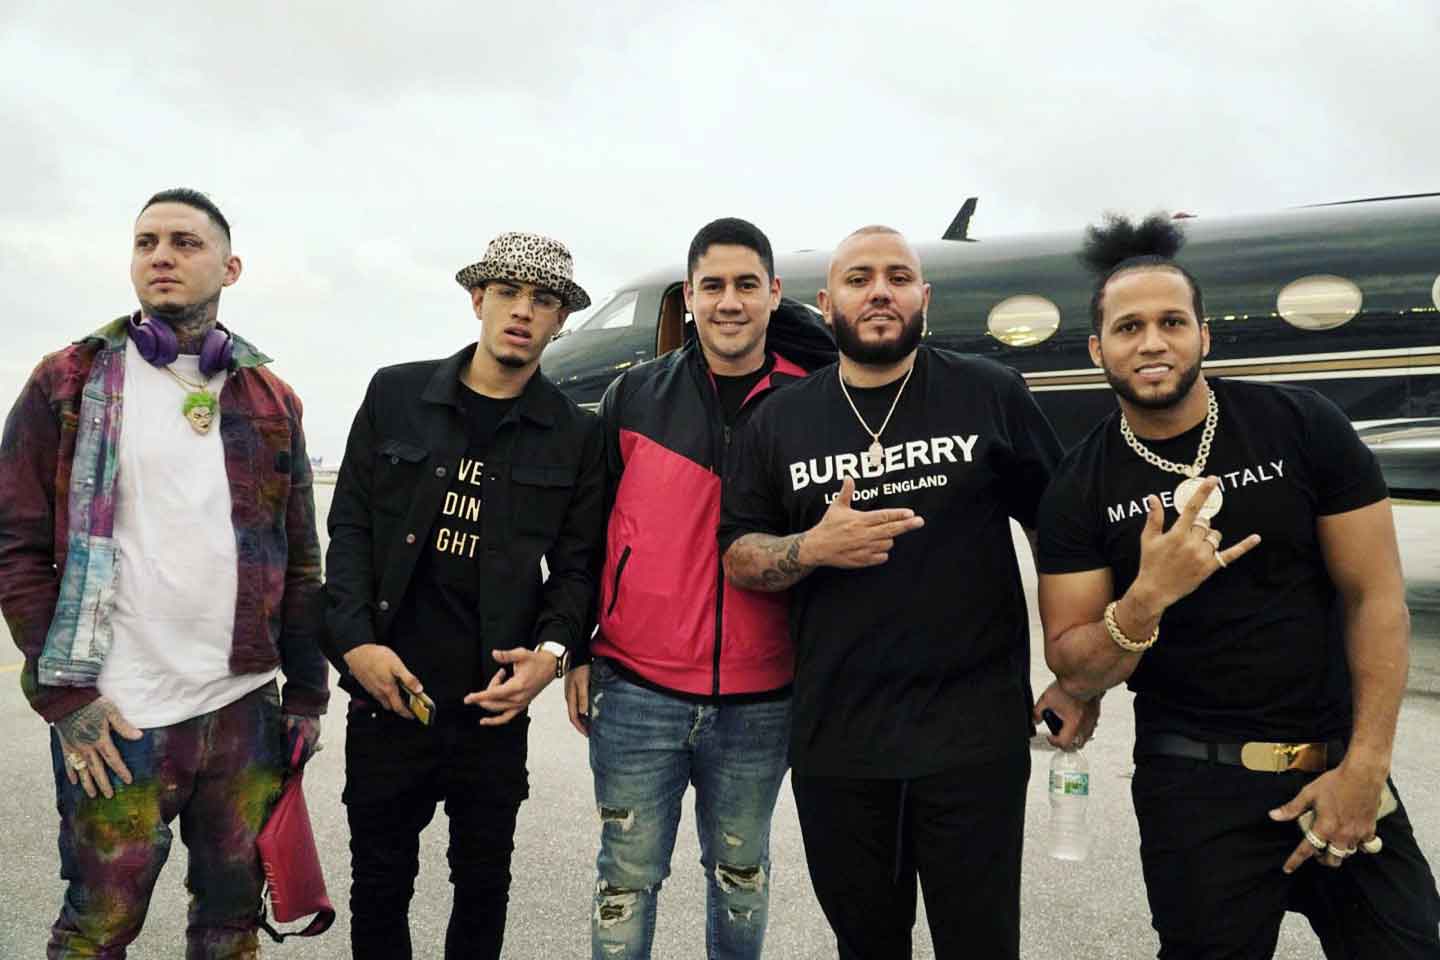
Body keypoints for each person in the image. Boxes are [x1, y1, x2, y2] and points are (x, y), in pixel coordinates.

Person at [1036, 213, 1440, 958]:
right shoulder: (1077, 487)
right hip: (1194, 789)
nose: (1151, 342)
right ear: (1098, 349)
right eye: (1128, 328)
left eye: (1171, 322)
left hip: (1339, 761)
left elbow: (1375, 597)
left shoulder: (1302, 425)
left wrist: (1366, 767)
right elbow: (1075, 665)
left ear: (1204, 335)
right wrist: (1148, 595)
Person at [718, 225, 1095, 959]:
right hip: (839, 744)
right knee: (866, 946)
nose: (880, 292)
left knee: (981, 945)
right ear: (827, 303)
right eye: (859, 279)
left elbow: (1059, 536)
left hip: (974, 739)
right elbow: (738, 552)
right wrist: (812, 547)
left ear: (925, 296)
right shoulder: (779, 421)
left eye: (898, 277)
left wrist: (1078, 679)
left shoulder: (988, 393)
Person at [0, 187, 329, 958]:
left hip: (243, 707)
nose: (161, 257)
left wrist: (306, 696)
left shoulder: (271, 399)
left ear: (230, 268)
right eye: (146, 242)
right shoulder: (67, 382)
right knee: (98, 926)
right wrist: (65, 698)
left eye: (185, 242)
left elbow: (300, 558)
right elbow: (14, 544)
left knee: (231, 922)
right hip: (119, 716)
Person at [323, 231, 605, 959]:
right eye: (507, 292)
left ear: (561, 319)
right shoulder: (395, 394)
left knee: (483, 886)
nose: (523, 311)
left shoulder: (577, 434)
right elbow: (348, 529)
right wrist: (356, 648)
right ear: (478, 299)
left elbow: (577, 569)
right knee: (380, 884)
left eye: (543, 300)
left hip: (493, 705)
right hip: (388, 693)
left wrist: (550, 656)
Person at [564, 217, 834, 959]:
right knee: (625, 880)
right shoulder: (632, 396)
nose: (729, 302)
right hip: (636, 690)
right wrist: (575, 651)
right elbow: (585, 536)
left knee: (742, 879)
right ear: (688, 296)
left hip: (763, 697)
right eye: (712, 286)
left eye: (747, 285)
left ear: (775, 293)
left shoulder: (813, 401)